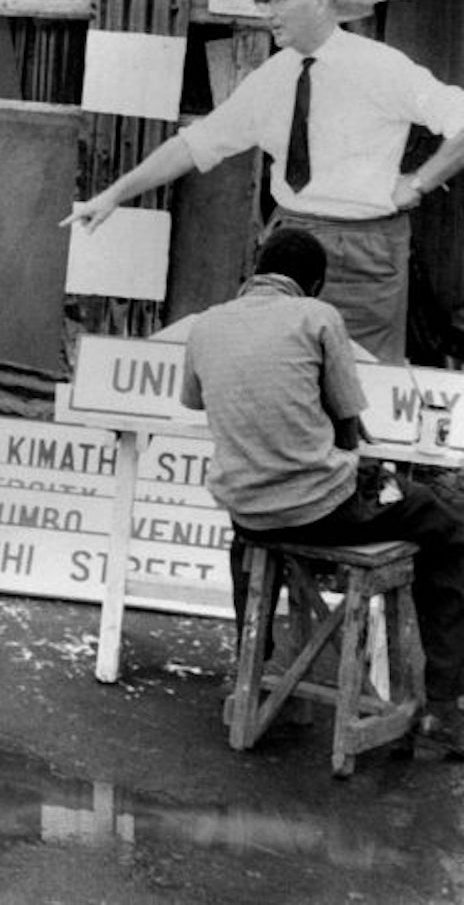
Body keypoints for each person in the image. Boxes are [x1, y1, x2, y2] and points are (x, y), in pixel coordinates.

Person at [63, 0, 464, 362]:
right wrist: (114, 194)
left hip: (363, 247)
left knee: (359, 373)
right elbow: (196, 144)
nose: (267, 12)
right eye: (264, 1)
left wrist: (419, 183)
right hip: (288, 238)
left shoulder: (382, 67)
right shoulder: (272, 77)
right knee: (275, 362)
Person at [181, 227, 464, 754]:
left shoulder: (205, 325)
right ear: (313, 282)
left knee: (252, 539)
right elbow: (349, 429)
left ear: (258, 269)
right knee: (444, 528)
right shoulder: (318, 317)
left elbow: (194, 400)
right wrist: (354, 450)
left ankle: (258, 665)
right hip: (324, 511)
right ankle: (445, 706)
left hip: (248, 513)